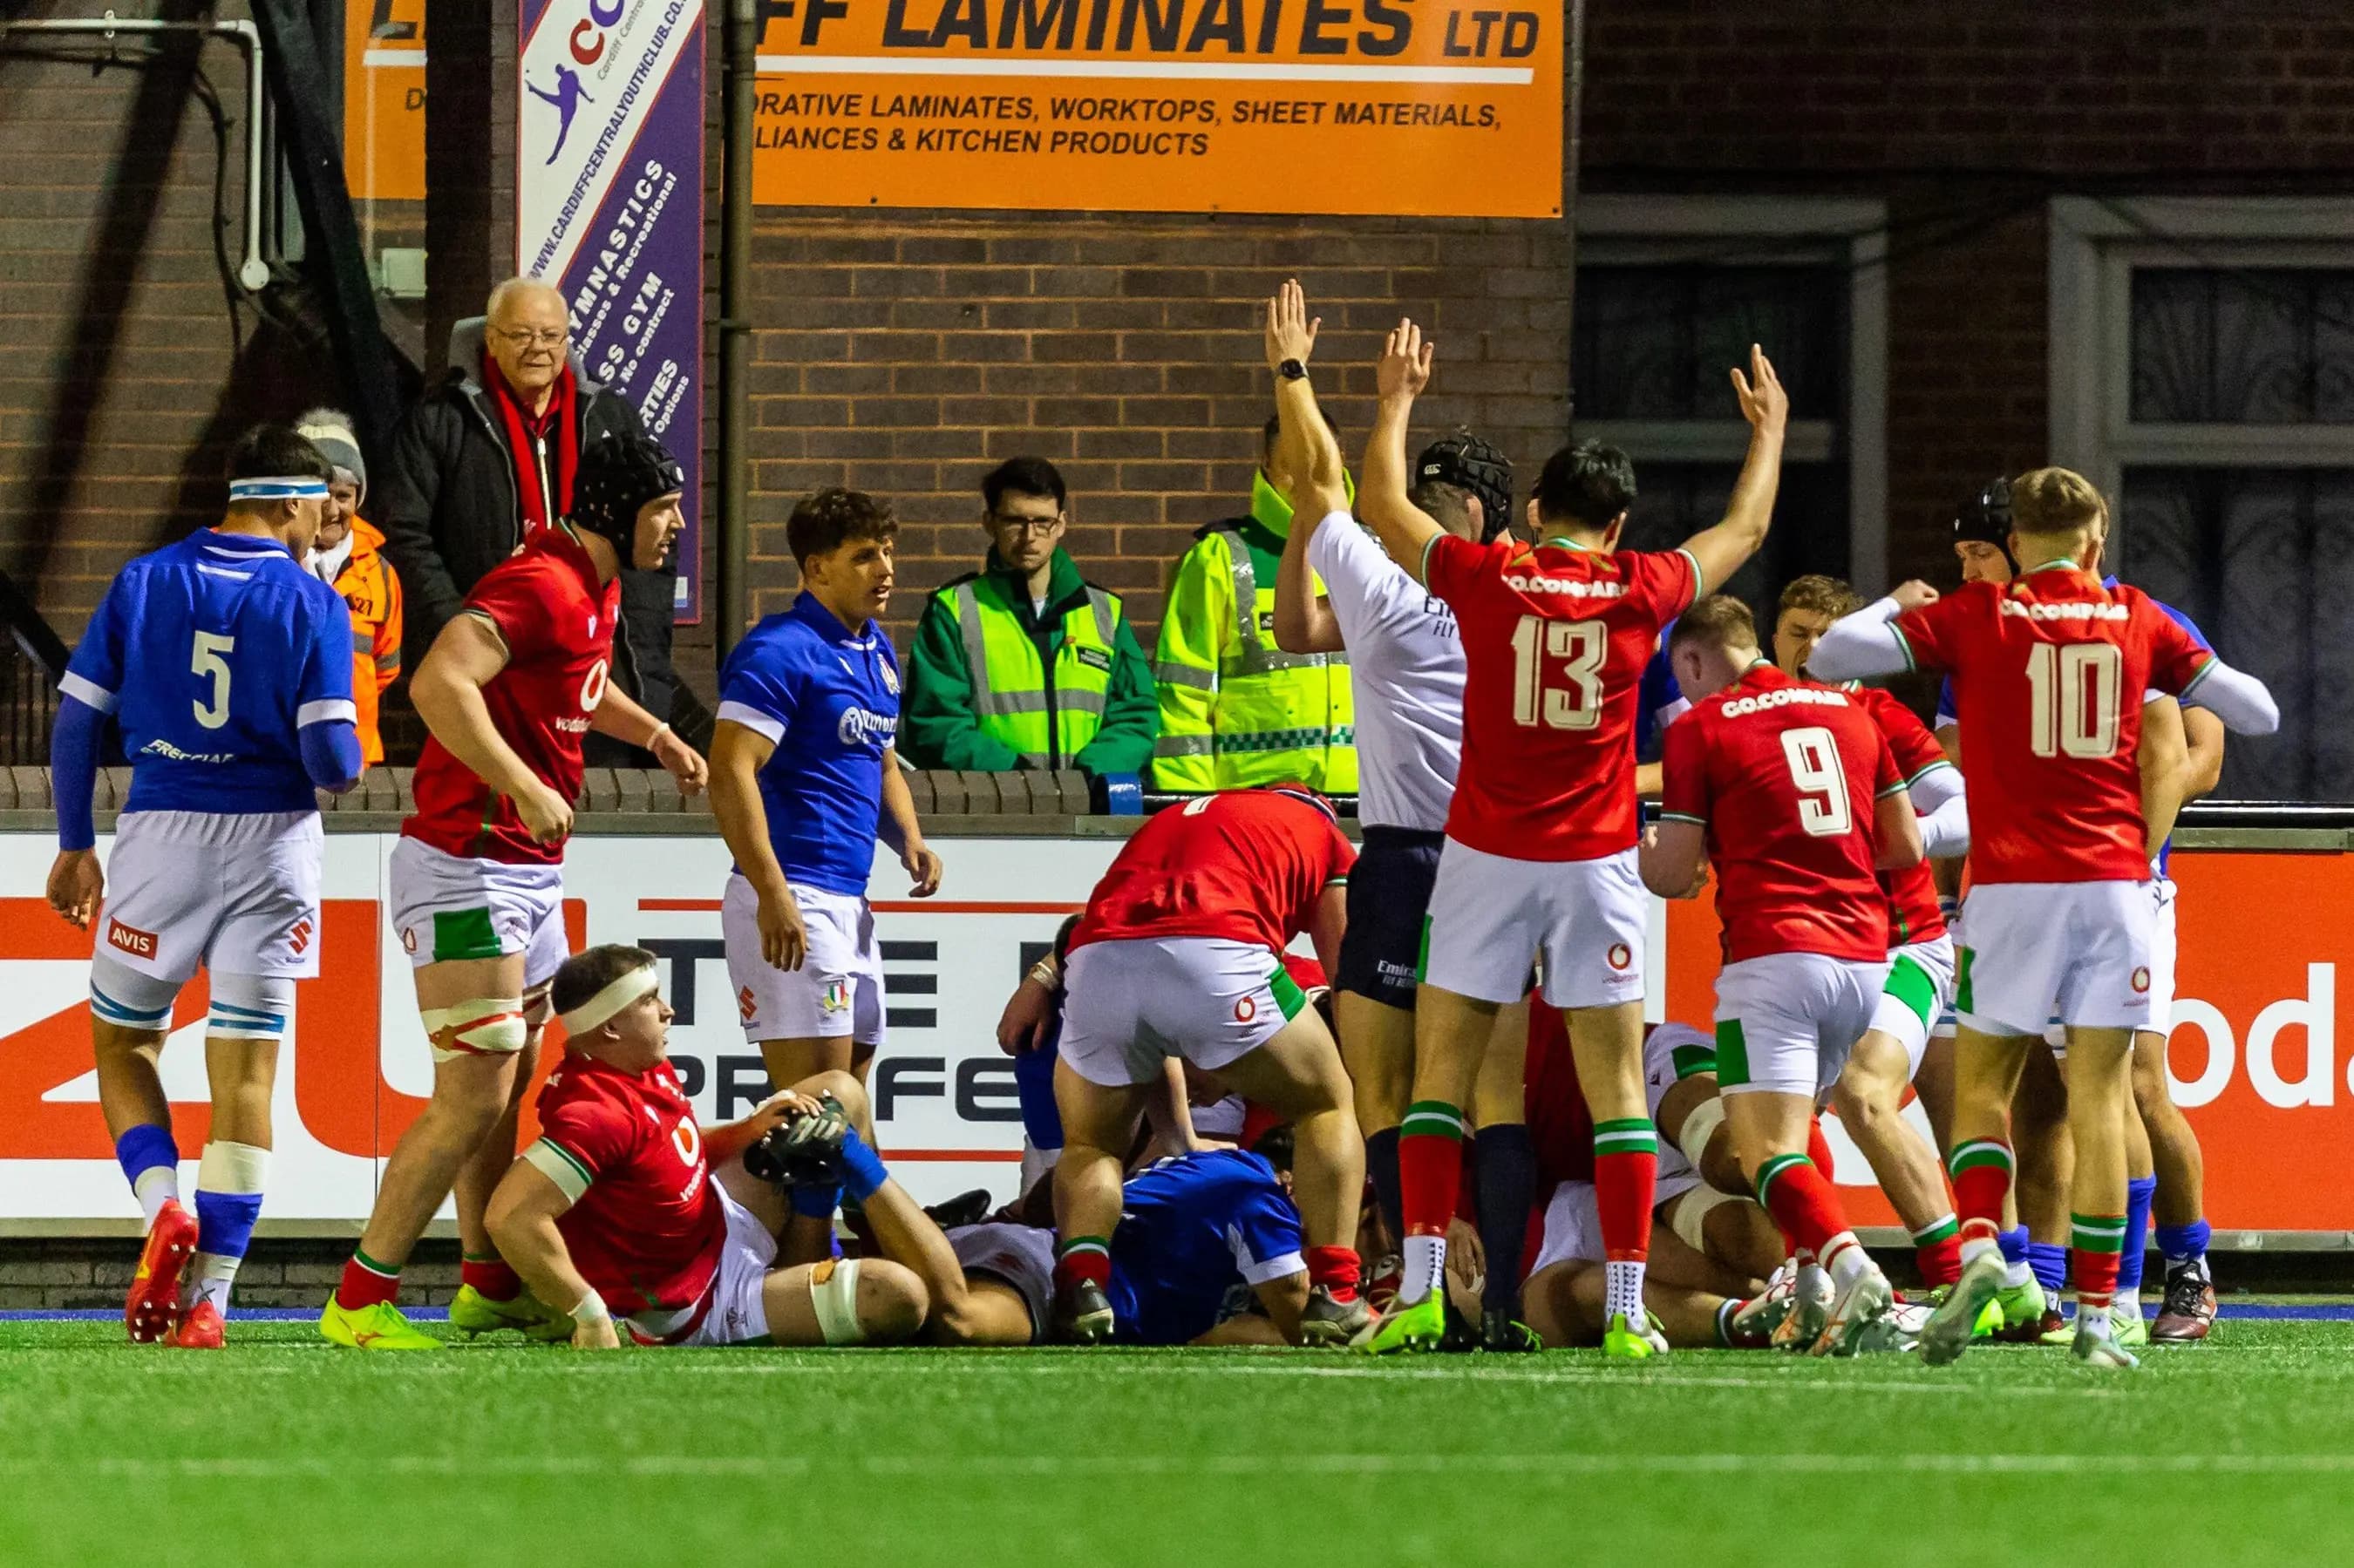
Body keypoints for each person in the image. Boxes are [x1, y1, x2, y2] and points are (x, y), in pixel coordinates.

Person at [1350, 315, 1790, 1358]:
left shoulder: (1486, 574)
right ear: (1620, 523)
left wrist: (1396, 398)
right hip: (1596, 862)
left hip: (1487, 858)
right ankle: (1631, 1308)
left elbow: (1380, 505)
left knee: (1441, 1080)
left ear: (1537, 512)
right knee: (1618, 1091)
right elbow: (1744, 530)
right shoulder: (1644, 587)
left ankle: (1421, 1293)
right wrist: (1767, 430)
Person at [1809, 466, 2279, 1369]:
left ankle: (1987, 1246)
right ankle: (2101, 1310)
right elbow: (2257, 712)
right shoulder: (2138, 616)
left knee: (1985, 1092)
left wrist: (1898, 604)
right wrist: (2199, 674)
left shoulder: (1984, 618)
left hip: (2013, 887)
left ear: (2017, 542)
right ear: (2096, 539)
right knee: (2099, 1099)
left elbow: (1831, 657)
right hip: (2112, 888)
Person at [321, 434, 707, 1351]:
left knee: (509, 1078)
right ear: (615, 509)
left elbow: (577, 681)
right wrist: (524, 783)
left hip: (525, 868)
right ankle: (358, 1301)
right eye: (663, 508)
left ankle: (488, 1285)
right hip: (468, 862)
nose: (677, 525)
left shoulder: (592, 585)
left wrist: (654, 734)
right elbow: (439, 681)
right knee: (472, 1091)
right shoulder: (541, 581)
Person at [1259, 282, 1536, 1349]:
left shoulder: (1387, 591)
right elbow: (1297, 627)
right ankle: (1491, 1301)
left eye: (1431, 499)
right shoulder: (1525, 596)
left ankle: (1429, 1285)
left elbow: (1333, 484)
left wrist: (1302, 376)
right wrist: (1315, 507)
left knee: (1393, 1090)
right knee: (1482, 1093)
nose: (1409, 510)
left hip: (1412, 856)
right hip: (1498, 861)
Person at [47, 425, 362, 1347]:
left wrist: (75, 845)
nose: (326, 523)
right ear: (291, 500)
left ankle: (163, 1208)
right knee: (248, 1071)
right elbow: (333, 759)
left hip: (163, 835)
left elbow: (76, 721)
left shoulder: (144, 580)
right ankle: (211, 1301)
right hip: (275, 844)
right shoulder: (312, 600)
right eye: (322, 506)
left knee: (124, 1042)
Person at [1934, 484, 2229, 1346]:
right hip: (2016, 894)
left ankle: (2172, 1275)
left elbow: (2201, 755)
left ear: (2022, 546)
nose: (1968, 571)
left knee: (2133, 1086)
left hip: (2113, 890)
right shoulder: (1982, 636)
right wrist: (1955, 891)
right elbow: (1954, 771)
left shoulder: (2140, 620)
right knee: (2033, 1097)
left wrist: (2128, 854)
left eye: (1979, 554)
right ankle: (2048, 1289)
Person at [1642, 595, 1922, 1354]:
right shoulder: (1852, 712)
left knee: (1762, 1149)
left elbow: (1672, 873)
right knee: (1802, 1130)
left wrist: (1646, 855)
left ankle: (1854, 1269)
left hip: (1772, 957)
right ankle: (1809, 1284)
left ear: (1693, 659)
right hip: (1863, 958)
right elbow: (1903, 844)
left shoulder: (1702, 727)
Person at [998, 785, 1364, 1345]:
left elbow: (1117, 914)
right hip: (1217, 951)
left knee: (1091, 1145)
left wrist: (1046, 975)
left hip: (1098, 961)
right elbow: (1347, 973)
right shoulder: (1324, 835)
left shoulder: (1179, 818)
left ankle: (1084, 1284)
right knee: (1328, 1105)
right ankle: (1336, 1288)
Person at [484, 946, 930, 1348]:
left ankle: (849, 1246)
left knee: (840, 1090)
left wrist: (747, 1130)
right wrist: (588, 1312)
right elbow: (509, 1216)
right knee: (897, 1295)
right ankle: (827, 1271)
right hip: (703, 1303)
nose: (669, 1011)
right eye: (649, 1001)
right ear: (612, 1027)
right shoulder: (593, 1114)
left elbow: (673, 1153)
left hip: (715, 1219)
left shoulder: (638, 1065)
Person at [376, 275, 681, 764]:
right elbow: (405, 536)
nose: (538, 348)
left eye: (551, 335)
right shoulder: (440, 420)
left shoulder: (609, 417)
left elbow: (653, 529)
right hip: (490, 662)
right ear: (490, 339)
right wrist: (463, 630)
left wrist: (642, 652)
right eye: (521, 335)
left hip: (598, 664)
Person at [708, 488, 943, 1096]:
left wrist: (910, 839)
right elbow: (729, 771)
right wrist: (772, 892)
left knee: (851, 1099)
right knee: (818, 1106)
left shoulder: (876, 648)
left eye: (887, 551)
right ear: (816, 568)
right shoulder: (779, 651)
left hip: (850, 900)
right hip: (796, 893)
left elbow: (880, 759)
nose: (885, 569)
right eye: (864, 556)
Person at [1773, 574, 1970, 1295]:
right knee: (1782, 1117)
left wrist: (1903, 839)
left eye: (1826, 636)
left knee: (1863, 1093)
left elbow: (1965, 809)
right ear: (1772, 639)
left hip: (1902, 946)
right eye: (1796, 633)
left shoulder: (1881, 715)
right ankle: (1810, 1280)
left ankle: (1964, 1278)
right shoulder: (1749, 718)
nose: (1809, 650)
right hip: (1806, 948)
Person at [901, 456, 1158, 777]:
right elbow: (937, 721)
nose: (1029, 536)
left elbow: (1136, 714)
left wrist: (1089, 776)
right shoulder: (953, 610)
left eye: (1042, 522)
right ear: (989, 523)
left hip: (1089, 800)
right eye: (1015, 521)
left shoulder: (1104, 611)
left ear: (1061, 524)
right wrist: (1017, 776)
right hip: (995, 800)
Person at [1150, 411, 1354, 794]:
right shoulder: (1218, 560)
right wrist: (1189, 803)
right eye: (1292, 467)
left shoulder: (1375, 555)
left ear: (1341, 458)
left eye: (1318, 464)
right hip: (1255, 804)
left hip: (1368, 806)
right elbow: (1181, 696)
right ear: (1266, 465)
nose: (1307, 481)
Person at [296, 410, 403, 766]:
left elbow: (385, 669)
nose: (332, 510)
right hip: (281, 755)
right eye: (322, 494)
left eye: (344, 495)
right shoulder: (268, 562)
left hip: (352, 759)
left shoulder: (381, 575)